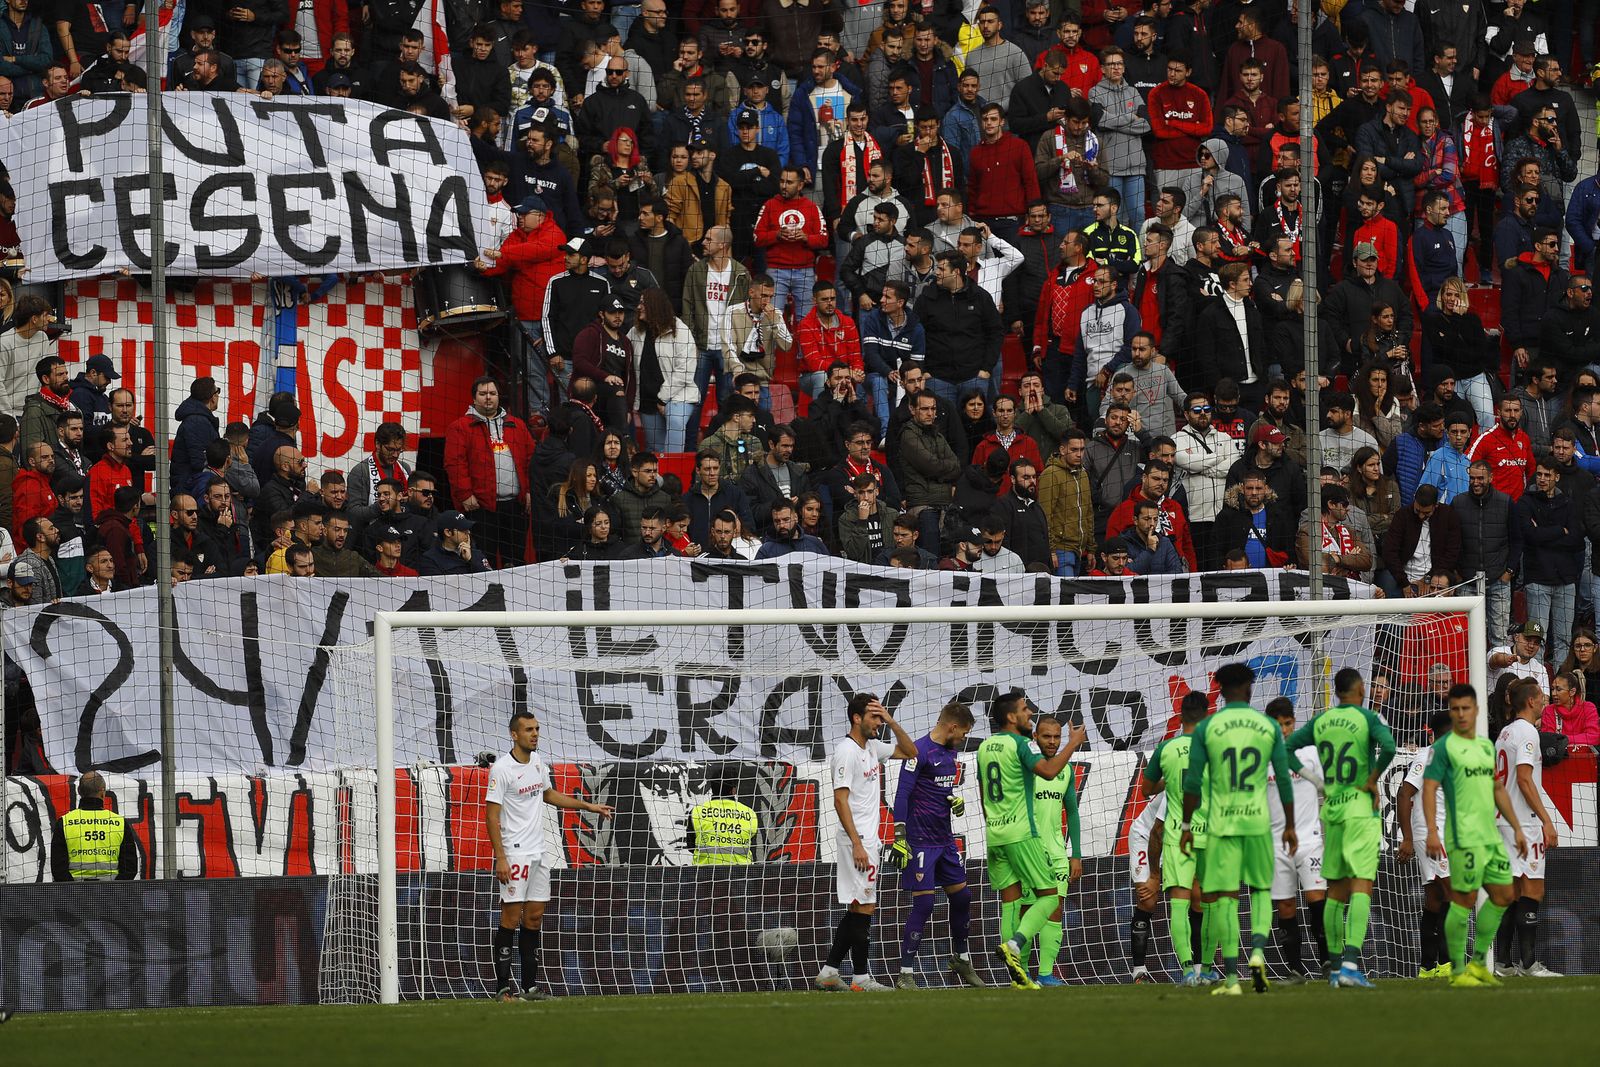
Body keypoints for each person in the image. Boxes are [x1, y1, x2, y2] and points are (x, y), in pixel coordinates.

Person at [1182, 662, 1296, 996]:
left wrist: (1188, 825)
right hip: (1258, 821)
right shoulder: (1267, 727)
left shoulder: (1207, 728)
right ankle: (1258, 953)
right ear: (1249, 689)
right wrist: (1289, 825)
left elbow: (1192, 783)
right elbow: (1284, 779)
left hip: (1221, 823)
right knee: (1261, 890)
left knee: (1223, 899)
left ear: (1219, 690)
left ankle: (1232, 980)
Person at [486, 708, 615, 1001]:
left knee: (534, 917)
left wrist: (589, 806)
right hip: (515, 853)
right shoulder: (502, 769)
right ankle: (503, 989)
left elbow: (549, 794)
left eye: (537, 729)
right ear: (514, 734)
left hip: (539, 852)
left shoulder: (538, 762)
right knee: (510, 918)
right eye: (529, 730)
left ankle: (530, 988)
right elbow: (491, 816)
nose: (535, 734)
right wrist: (501, 857)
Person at [1285, 670, 1396, 989]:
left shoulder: (1322, 721)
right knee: (1361, 886)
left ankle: (1334, 968)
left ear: (1336, 693)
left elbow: (1287, 750)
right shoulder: (1368, 717)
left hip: (1330, 810)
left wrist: (1318, 782)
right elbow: (1388, 747)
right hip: (1359, 809)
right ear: (1361, 689)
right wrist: (1373, 779)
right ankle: (1349, 964)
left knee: (1334, 892)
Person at [1422, 684, 1527, 989]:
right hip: (1462, 837)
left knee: (1504, 895)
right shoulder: (1443, 749)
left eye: (1466, 708)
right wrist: (1431, 831)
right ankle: (1457, 970)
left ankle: (1478, 963)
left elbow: (1496, 789)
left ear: (1476, 710)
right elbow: (1428, 789)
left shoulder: (1484, 747)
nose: (1461, 714)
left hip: (1490, 836)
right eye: (1455, 709)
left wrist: (1517, 827)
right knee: (1464, 900)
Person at [979, 690, 1085, 989]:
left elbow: (1072, 812)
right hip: (1025, 840)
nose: (1029, 713)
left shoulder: (986, 747)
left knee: (1023, 904)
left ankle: (1035, 974)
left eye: (1058, 737)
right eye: (1025, 710)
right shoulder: (1025, 751)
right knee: (1040, 901)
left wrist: (1075, 852)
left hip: (1003, 836)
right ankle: (1017, 952)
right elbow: (1049, 772)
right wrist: (1074, 745)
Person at [815, 693, 916, 992]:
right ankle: (861, 979)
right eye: (874, 717)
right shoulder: (846, 752)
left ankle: (830, 972)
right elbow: (839, 799)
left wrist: (891, 720)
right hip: (855, 841)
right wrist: (857, 843)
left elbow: (910, 752)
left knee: (860, 906)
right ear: (857, 718)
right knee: (866, 906)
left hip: (868, 840)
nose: (878, 723)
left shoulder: (873, 747)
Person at [885, 700, 985, 989]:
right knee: (925, 903)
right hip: (919, 842)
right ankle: (905, 974)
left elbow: (939, 786)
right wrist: (900, 836)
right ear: (952, 726)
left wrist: (952, 797)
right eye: (964, 732)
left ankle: (961, 959)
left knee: (963, 897)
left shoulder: (950, 752)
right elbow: (902, 795)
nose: (964, 738)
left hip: (944, 840)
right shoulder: (917, 752)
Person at [1492, 678, 1563, 979]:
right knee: (1533, 889)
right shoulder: (1528, 733)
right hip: (1522, 821)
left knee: (1513, 892)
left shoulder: (1504, 733)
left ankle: (1504, 963)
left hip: (1503, 820)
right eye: (1542, 696)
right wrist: (1546, 820)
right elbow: (1523, 779)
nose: (1546, 700)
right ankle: (1530, 964)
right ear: (1531, 702)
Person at [1142, 689, 1211, 986]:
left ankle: (1186, 970)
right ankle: (1205, 968)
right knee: (1208, 903)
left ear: (1180, 716)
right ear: (1207, 716)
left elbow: (1146, 790)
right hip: (1210, 834)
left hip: (1176, 835)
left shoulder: (1166, 749)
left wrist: (1169, 782)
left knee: (1179, 904)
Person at [1265, 698, 1328, 983]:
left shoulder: (1311, 753)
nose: (1284, 731)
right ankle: (1295, 970)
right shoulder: (1260, 757)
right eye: (1278, 726)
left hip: (1309, 839)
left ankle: (1329, 963)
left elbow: (1330, 788)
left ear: (1294, 722)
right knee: (1285, 907)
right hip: (1275, 843)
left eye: (1288, 724)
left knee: (1317, 900)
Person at [443, 377, 535, 569]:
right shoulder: (460, 427)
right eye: (483, 394)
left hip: (515, 506)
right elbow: (455, 464)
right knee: (484, 561)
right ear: (474, 398)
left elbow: (530, 460)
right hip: (481, 508)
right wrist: (465, 494)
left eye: (492, 394)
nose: (488, 398)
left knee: (516, 561)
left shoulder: (517, 425)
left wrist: (529, 491)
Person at [1397, 708, 1455, 979]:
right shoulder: (1427, 756)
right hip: (1430, 835)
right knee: (1455, 895)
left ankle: (1428, 966)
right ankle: (1446, 963)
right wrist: (1407, 838)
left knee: (1435, 900)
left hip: (1442, 834)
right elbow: (1404, 793)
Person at [1515, 458, 1582, 666]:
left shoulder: (1568, 503)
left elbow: (1576, 539)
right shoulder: (1526, 501)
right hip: (1537, 579)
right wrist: (1559, 531)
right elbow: (1529, 535)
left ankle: (1559, 685)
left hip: (1565, 579)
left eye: (1547, 475)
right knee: (1536, 639)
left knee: (1564, 639)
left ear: (1557, 477)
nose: (1542, 479)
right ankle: (1537, 685)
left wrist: (1542, 533)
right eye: (1539, 474)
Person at [49, 770, 136, 882]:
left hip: (74, 896)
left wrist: (74, 893)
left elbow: (58, 869)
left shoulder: (65, 822)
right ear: (102, 792)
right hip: (112, 896)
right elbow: (130, 869)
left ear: (79, 791)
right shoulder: (120, 823)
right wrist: (113, 892)